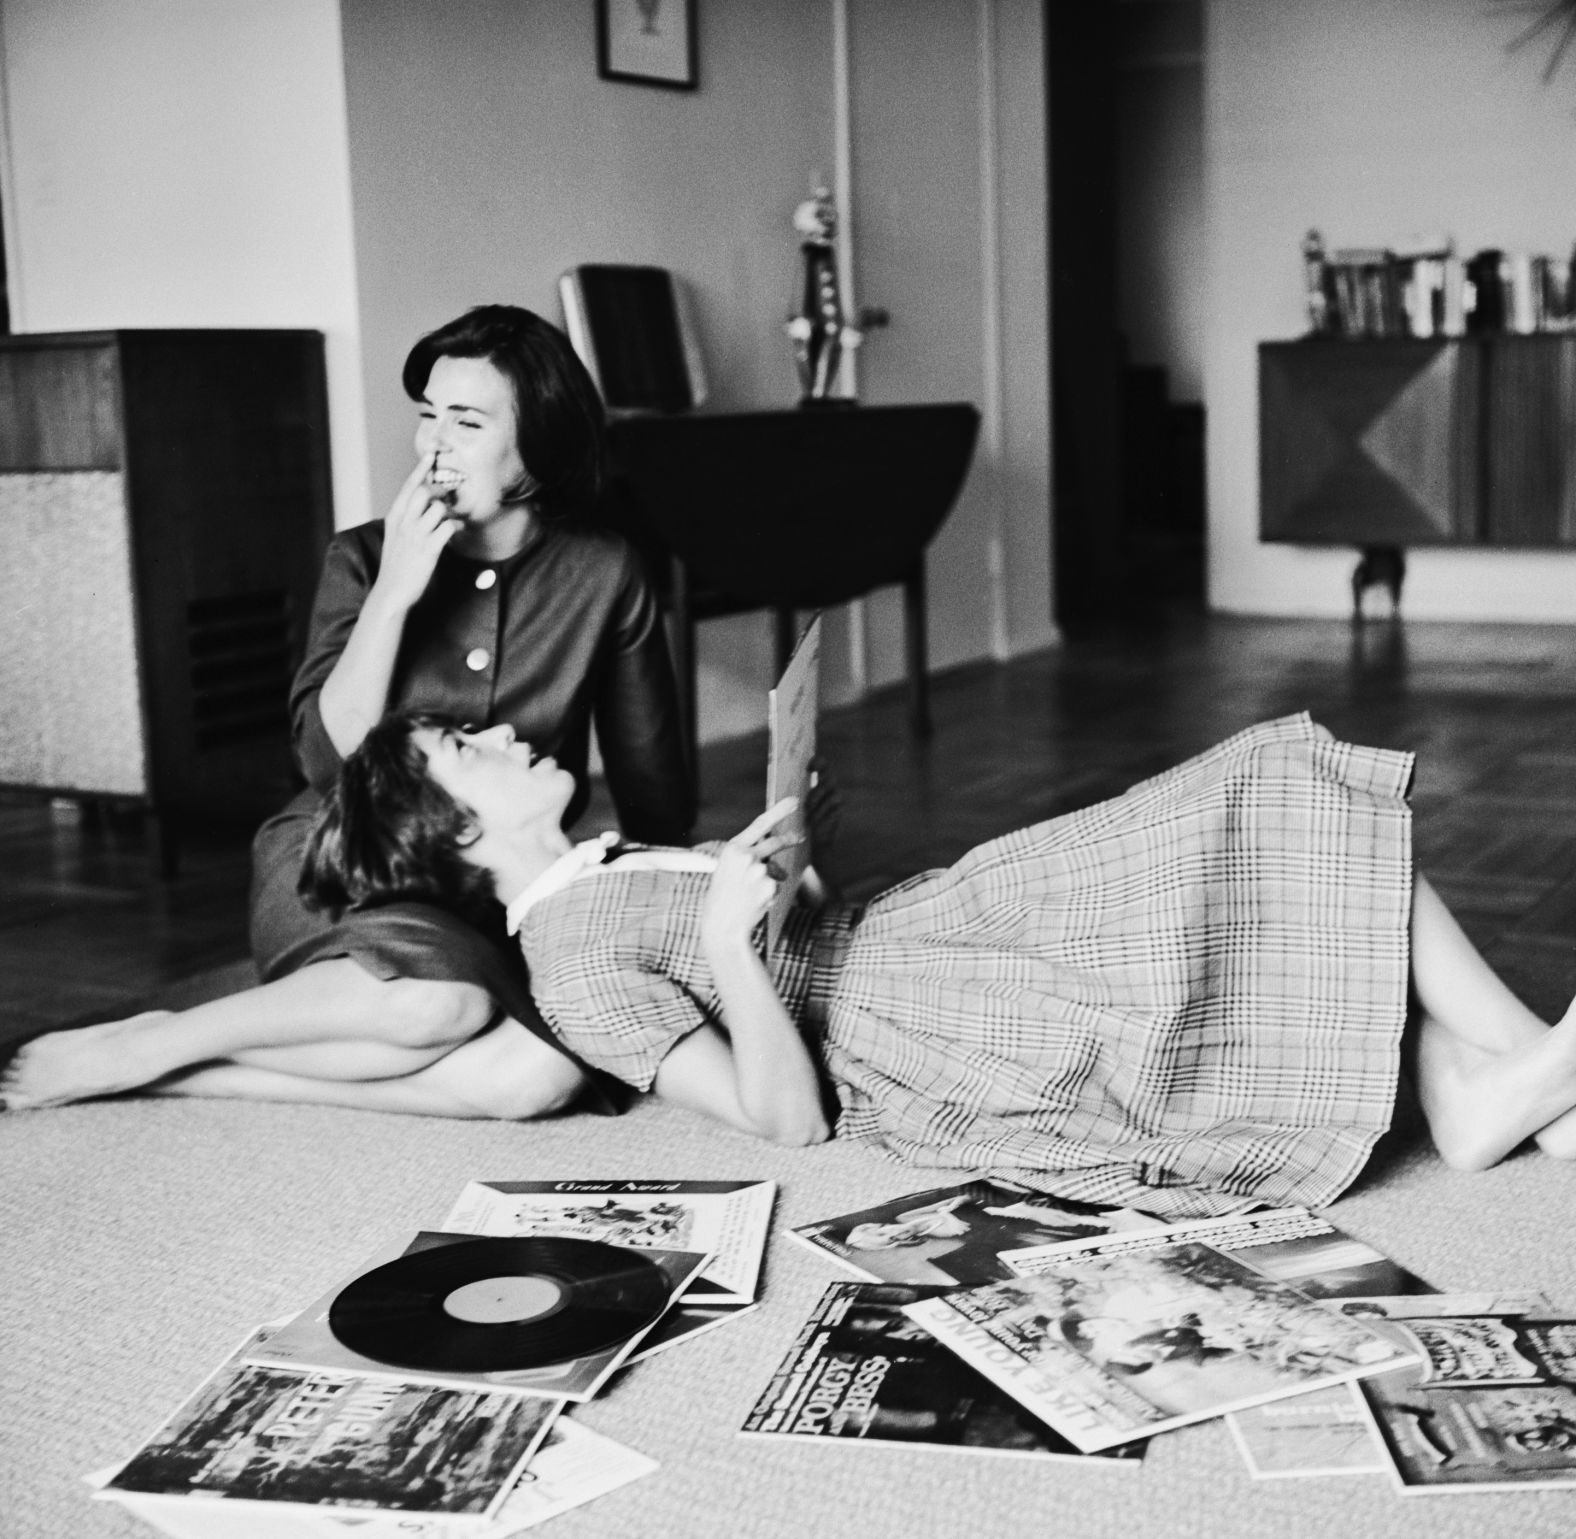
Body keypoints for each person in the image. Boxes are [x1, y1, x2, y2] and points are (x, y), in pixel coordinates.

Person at [266, 707, 1576, 1221]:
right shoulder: (567, 968)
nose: (502, 728)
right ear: (454, 825)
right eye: (468, 746)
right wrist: (729, 929)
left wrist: (790, 862)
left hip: (925, 924)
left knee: (1277, 832)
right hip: (932, 1021)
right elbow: (788, 1116)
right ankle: (1531, 1077)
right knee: (1275, 795)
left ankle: (1509, 1081)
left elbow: (779, 940)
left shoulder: (601, 865)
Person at [1, 306, 690, 1120]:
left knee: (538, 1080)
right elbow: (330, 768)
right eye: (427, 415)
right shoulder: (362, 558)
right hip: (337, 854)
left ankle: (192, 1067)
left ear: (537, 443)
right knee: (441, 1007)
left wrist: (671, 904)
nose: (433, 443)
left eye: (466, 421)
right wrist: (396, 591)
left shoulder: (605, 570)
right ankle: (144, 1045)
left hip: (494, 883)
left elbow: (653, 781)